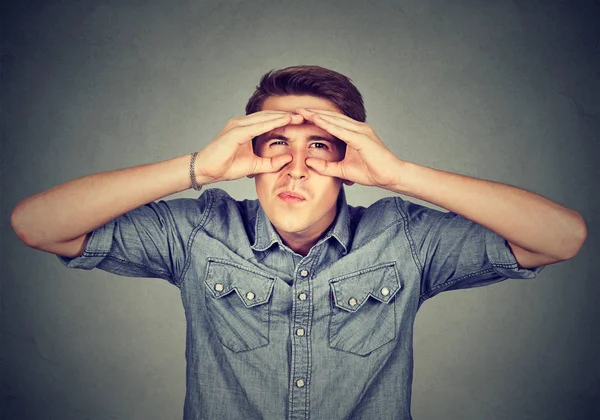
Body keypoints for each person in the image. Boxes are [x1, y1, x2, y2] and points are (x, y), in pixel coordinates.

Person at [10, 65, 587, 419]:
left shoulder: (403, 239)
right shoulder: (198, 233)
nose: (295, 166)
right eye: (276, 142)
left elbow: (561, 239)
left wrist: (398, 174)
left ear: (348, 160)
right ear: (251, 156)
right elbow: (37, 225)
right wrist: (198, 169)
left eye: (319, 145)